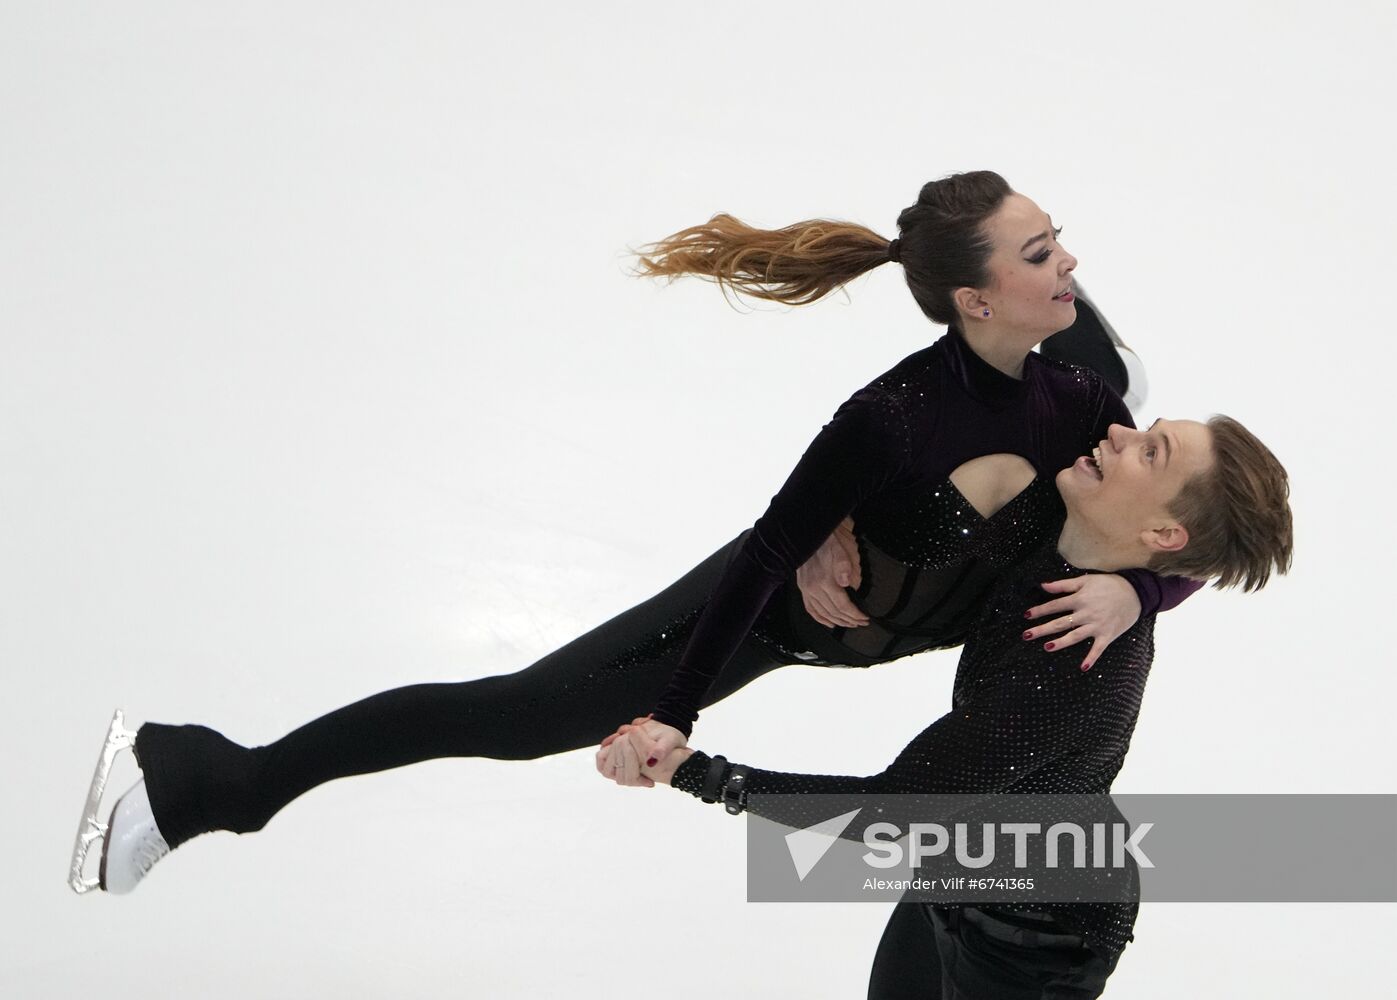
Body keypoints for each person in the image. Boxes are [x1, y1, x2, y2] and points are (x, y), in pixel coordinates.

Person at [69, 171, 1193, 896]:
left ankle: (220, 780)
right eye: (1039, 254)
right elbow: (766, 550)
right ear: (969, 298)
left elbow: (1197, 529)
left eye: (1060, 244)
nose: (1070, 267)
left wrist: (1136, 593)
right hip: (777, 622)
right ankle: (213, 780)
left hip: (891, 629)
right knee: (516, 715)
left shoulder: (1092, 404)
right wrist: (674, 714)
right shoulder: (892, 417)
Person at [605, 414, 1294, 999]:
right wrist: (1144, 590)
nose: (1115, 430)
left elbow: (896, 812)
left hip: (1041, 932)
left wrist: (694, 772)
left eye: (1150, 451)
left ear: (1162, 536)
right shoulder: (1063, 520)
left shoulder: (1069, 672)